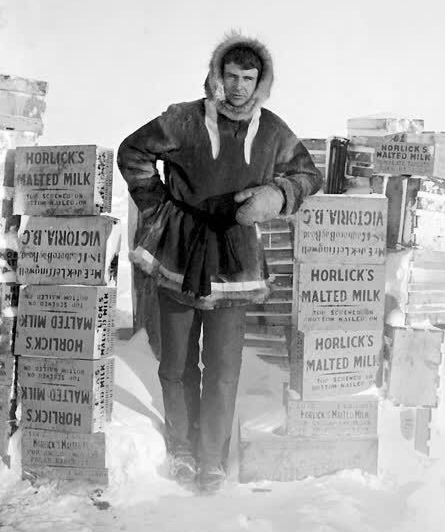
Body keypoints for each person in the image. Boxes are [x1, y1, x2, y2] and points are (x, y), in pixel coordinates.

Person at [117, 31, 323, 492]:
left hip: (235, 255)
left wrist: (277, 194)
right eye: (230, 76)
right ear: (217, 76)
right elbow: (133, 152)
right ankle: (182, 449)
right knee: (176, 363)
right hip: (180, 250)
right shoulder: (184, 120)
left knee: (224, 368)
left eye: (248, 78)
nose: (238, 87)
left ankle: (211, 459)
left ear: (260, 82)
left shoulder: (271, 130)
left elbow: (309, 174)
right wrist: (158, 206)